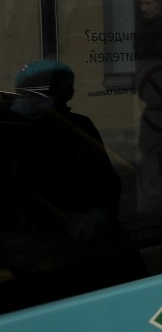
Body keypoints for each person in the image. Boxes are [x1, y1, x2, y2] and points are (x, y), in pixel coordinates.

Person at [0, 60, 141, 312]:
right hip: (28, 234)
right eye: (27, 95)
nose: (32, 101)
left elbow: (107, 179)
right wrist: (62, 220)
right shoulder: (8, 131)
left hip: (83, 231)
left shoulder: (78, 126)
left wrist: (100, 214)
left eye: (42, 95)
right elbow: (13, 191)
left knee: (121, 256)